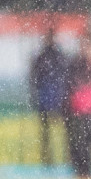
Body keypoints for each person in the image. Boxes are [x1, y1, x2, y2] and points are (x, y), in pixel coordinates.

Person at [29, 26, 70, 166]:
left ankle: (54, 158)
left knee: (53, 131)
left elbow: (35, 77)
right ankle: (51, 158)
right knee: (49, 131)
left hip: (53, 96)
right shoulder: (51, 56)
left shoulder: (50, 56)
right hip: (50, 96)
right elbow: (35, 77)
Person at [65, 37, 91, 179]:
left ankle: (85, 168)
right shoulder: (77, 64)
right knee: (80, 138)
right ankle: (81, 169)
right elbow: (72, 82)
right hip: (80, 106)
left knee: (88, 137)